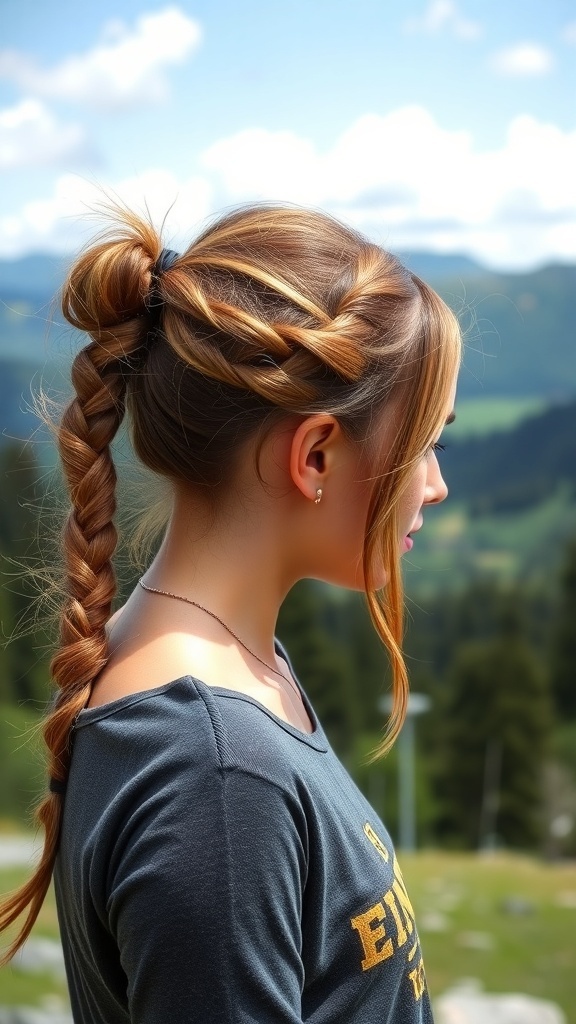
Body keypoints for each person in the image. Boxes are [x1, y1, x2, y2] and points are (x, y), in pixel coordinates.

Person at [0, 203, 460, 1022]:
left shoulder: (234, 680)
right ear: (315, 455)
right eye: (425, 441)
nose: (435, 484)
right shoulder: (215, 775)